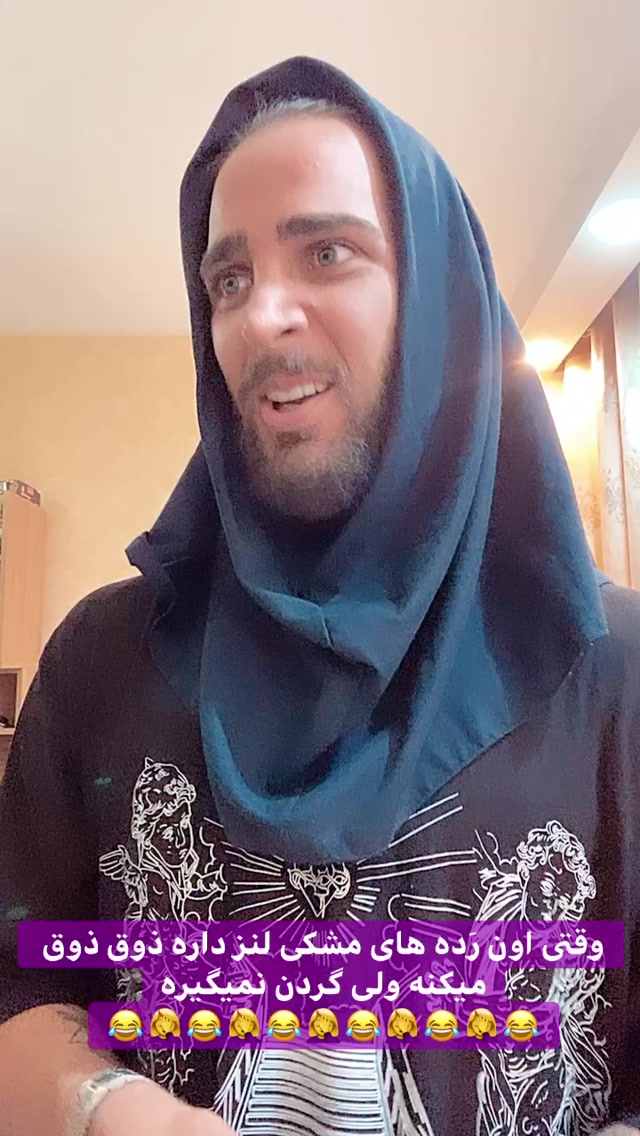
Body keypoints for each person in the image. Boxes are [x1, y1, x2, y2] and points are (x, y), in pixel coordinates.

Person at [0, 54, 639, 1136]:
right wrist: (108, 1108)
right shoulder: (101, 660)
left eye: (328, 251)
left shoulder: (609, 666)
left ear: (439, 304)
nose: (260, 317)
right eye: (227, 280)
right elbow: (19, 986)